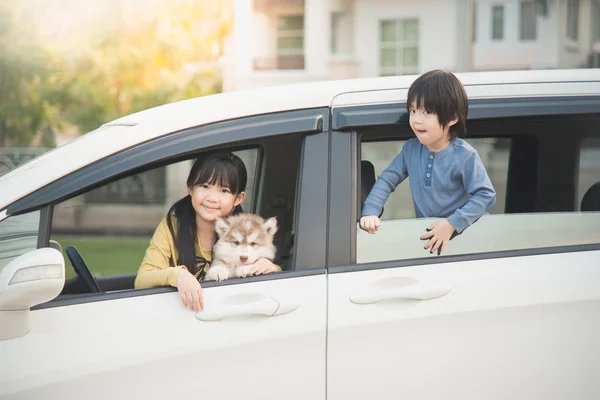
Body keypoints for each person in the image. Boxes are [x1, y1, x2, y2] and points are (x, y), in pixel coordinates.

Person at [360, 69, 497, 255]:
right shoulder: (411, 149)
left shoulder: (465, 156)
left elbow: (485, 196)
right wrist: (370, 211)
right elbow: (387, 179)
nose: (416, 120)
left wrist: (451, 224)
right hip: (431, 241)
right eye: (412, 110)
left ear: (452, 118)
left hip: (468, 239)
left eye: (427, 111)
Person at [134, 152, 281, 311]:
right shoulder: (171, 227)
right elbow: (142, 280)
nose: (212, 198)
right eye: (204, 186)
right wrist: (178, 276)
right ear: (190, 189)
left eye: (224, 190)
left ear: (238, 198)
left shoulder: (246, 232)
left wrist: (271, 268)